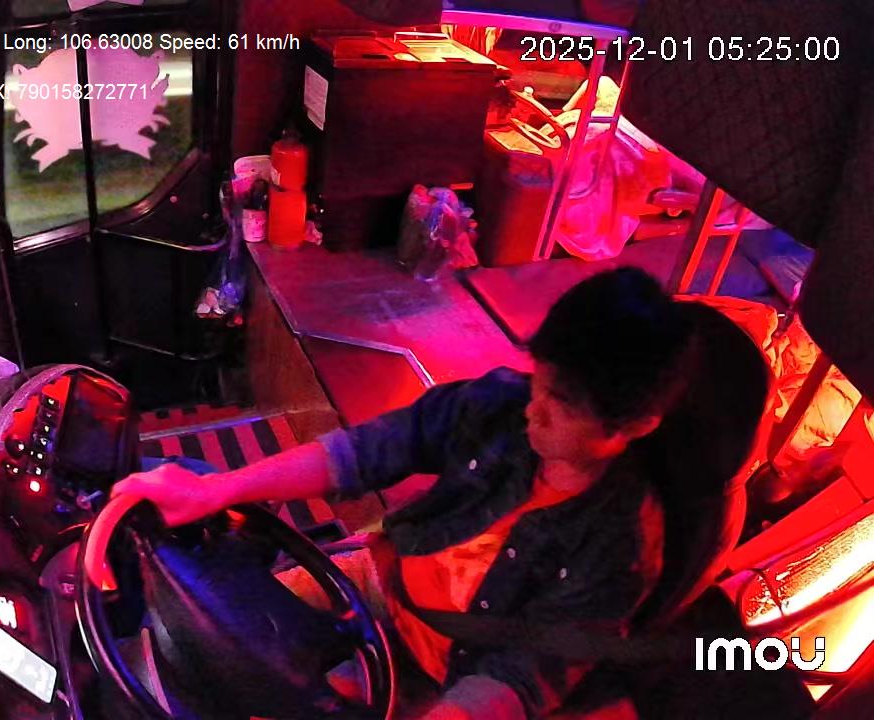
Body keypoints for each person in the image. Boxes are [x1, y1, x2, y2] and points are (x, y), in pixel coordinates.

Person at [113, 268, 756, 719]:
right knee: (204, 632)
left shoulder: (621, 546)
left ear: (632, 427)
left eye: (560, 404)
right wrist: (216, 490)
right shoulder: (499, 404)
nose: (532, 409)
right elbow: (364, 452)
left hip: (441, 673)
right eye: (538, 381)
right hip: (376, 576)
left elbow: (525, 675)